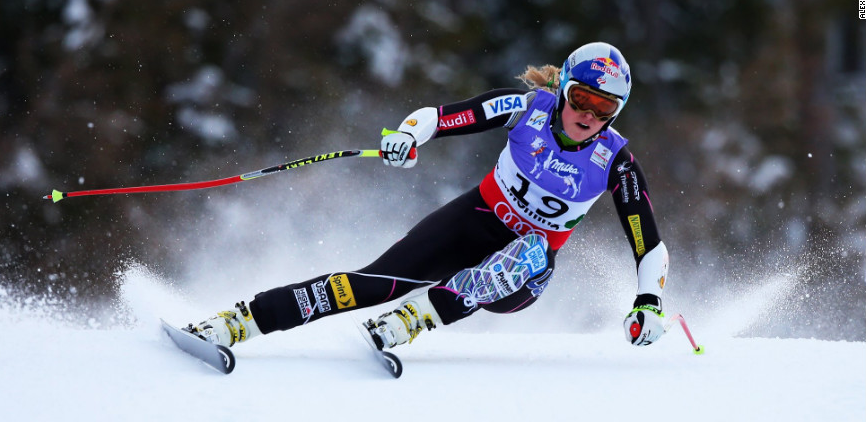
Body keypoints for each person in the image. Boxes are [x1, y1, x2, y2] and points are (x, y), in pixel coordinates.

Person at [187, 42, 670, 351]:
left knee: (529, 250)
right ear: (564, 88)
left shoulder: (616, 160)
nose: (589, 115)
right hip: (475, 219)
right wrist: (407, 136)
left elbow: (649, 244)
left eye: (605, 107)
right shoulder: (528, 108)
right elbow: (441, 116)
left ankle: (415, 320)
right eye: (583, 98)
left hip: (524, 274)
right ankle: (240, 322)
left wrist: (649, 301)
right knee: (374, 283)